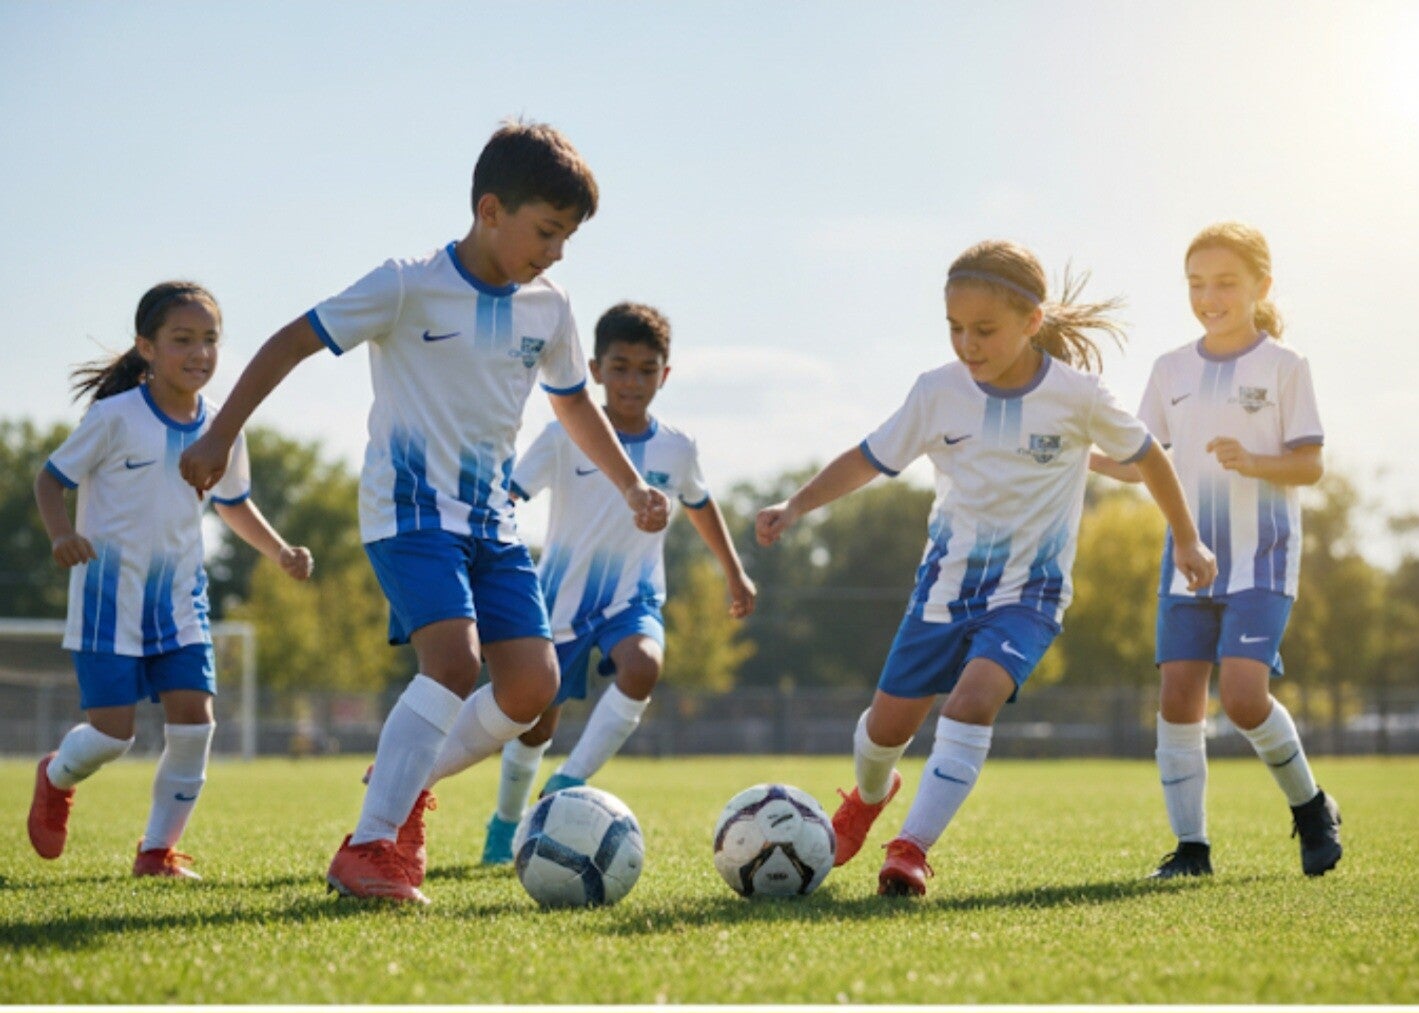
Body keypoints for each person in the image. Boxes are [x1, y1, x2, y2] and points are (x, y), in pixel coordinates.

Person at [178, 120, 669, 905]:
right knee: (449, 661)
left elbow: (575, 405)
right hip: (407, 515)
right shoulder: (406, 283)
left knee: (531, 688)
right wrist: (220, 428)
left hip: (492, 523)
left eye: (568, 236)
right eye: (546, 230)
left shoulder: (551, 306)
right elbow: (287, 343)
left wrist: (628, 485)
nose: (557, 250)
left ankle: (402, 782)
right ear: (489, 209)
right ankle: (371, 844)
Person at [756, 240, 1217, 897]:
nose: (966, 344)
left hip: (1030, 595)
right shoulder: (935, 392)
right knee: (885, 729)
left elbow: (1148, 457)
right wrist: (796, 503)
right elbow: (869, 456)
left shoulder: (1077, 396)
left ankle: (908, 848)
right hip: (941, 592)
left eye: (983, 329)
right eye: (953, 329)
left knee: (973, 701)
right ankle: (868, 794)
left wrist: (1189, 539)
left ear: (1031, 322)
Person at [429, 300, 757, 867]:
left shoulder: (677, 448)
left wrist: (734, 571)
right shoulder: (564, 436)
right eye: (621, 367)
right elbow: (508, 495)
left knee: (644, 664)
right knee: (533, 724)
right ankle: (506, 822)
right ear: (596, 369)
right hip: (557, 601)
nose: (633, 381)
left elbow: (701, 505)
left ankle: (568, 783)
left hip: (635, 598)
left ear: (666, 374)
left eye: (647, 369)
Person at [28, 281, 314, 879]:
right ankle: (56, 775)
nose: (200, 353)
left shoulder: (222, 428)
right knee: (113, 736)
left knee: (195, 722)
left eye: (209, 340)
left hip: (182, 603)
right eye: (182, 339)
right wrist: (60, 536)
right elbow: (50, 480)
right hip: (110, 601)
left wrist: (279, 550)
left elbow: (233, 503)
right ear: (147, 348)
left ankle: (156, 853)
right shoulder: (113, 417)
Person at [1090, 221, 1340, 879]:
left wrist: (1254, 461)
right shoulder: (1169, 369)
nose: (1209, 296)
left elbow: (1310, 464)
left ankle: (1311, 807)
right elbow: (1141, 460)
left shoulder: (1285, 366)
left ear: (1261, 284)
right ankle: (1191, 849)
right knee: (1177, 698)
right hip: (1187, 561)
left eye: (1225, 282)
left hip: (1262, 559)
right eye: (1196, 284)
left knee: (1242, 697)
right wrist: (1082, 458)